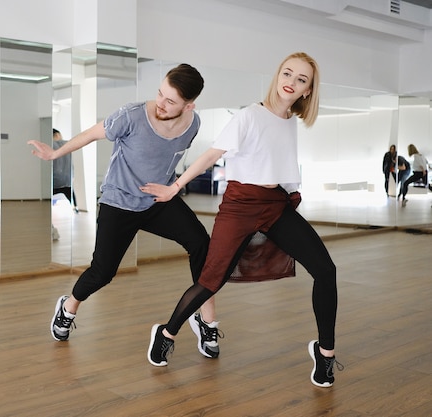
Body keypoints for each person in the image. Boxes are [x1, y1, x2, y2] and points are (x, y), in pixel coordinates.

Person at [144, 52, 343, 388]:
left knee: (326, 270)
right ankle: (166, 333)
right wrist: (174, 187)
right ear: (278, 75)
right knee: (211, 279)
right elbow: (211, 155)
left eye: (301, 79)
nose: (290, 82)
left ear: (307, 91)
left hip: (275, 205)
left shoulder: (290, 122)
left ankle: (325, 355)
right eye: (287, 73)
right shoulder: (249, 116)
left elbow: (279, 168)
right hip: (239, 205)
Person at [28, 64, 221, 359]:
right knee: (102, 272)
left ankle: (205, 318)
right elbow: (92, 134)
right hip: (119, 202)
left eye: (170, 101)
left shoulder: (193, 124)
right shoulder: (131, 115)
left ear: (189, 105)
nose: (161, 103)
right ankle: (68, 308)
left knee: (201, 244)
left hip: (158, 201)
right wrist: (55, 153)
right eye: (160, 93)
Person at [52, 128, 78, 212]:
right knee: (70, 194)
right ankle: (75, 207)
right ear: (57, 135)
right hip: (67, 179)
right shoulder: (68, 144)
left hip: (55, 179)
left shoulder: (51, 145)